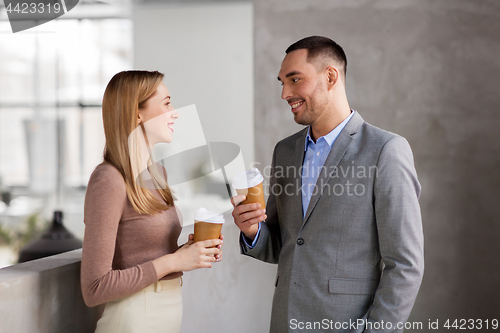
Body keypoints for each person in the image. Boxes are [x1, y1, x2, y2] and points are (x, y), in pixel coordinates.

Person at [232, 36, 424, 333]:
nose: (285, 93)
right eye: (282, 82)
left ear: (331, 76)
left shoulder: (385, 150)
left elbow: (406, 264)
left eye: (294, 79)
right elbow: (288, 245)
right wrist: (252, 231)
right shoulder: (285, 151)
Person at [81, 70, 223, 333]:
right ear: (137, 113)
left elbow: (147, 253)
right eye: (167, 103)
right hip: (134, 317)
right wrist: (173, 262)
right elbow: (95, 287)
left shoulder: (158, 174)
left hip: (166, 309)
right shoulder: (109, 180)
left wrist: (187, 253)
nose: (175, 112)